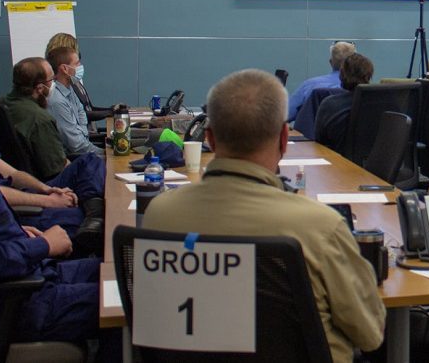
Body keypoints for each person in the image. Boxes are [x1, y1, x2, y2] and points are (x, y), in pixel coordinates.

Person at [144, 69, 385, 360]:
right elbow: (370, 333)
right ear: (284, 139)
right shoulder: (321, 227)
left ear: (210, 139)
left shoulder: (158, 215)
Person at [0, 71, 100, 347]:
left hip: (31, 274)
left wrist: (17, 231)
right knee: (127, 300)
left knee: (120, 270)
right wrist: (44, 246)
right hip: (14, 304)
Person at [0, 57, 70, 181]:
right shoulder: (40, 119)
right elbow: (57, 168)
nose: (54, 83)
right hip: (48, 185)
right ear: (40, 88)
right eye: (52, 80)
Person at [45, 46, 103, 158]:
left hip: (85, 151)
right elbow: (76, 146)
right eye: (77, 63)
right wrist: (105, 154)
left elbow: (82, 120)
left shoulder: (70, 89)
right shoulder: (56, 101)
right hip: (73, 159)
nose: (80, 67)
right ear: (64, 69)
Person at [314, 53, 374, 151]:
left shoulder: (330, 105)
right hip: (379, 164)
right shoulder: (385, 102)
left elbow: (319, 142)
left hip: (338, 162)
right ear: (368, 76)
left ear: (341, 75)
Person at [288, 40, 356, 122]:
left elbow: (284, 115)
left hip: (313, 134)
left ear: (331, 62)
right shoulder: (363, 89)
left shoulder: (310, 85)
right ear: (355, 63)